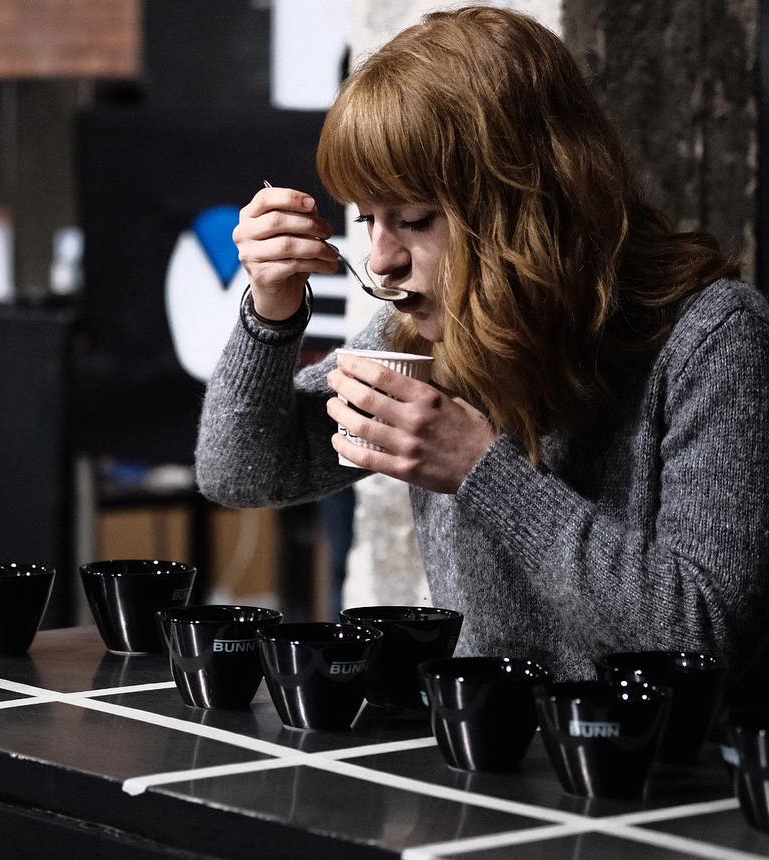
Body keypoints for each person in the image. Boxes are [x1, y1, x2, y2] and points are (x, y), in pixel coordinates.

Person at [195, 5, 769, 707]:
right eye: (367, 219)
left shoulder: (712, 336)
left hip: (654, 764)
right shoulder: (423, 331)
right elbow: (240, 474)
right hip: (483, 748)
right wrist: (270, 311)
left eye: (413, 219)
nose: (381, 260)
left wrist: (480, 470)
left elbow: (706, 635)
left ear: (523, 203)